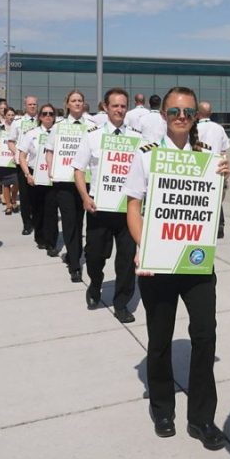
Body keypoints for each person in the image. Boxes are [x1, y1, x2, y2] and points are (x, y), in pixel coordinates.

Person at [124, 86, 230, 450]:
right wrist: (144, 248)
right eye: (174, 111)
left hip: (197, 263)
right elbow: (133, 208)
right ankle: (163, 408)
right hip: (159, 263)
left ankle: (202, 417)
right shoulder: (147, 156)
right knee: (160, 339)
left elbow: (212, 204)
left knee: (205, 336)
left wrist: (223, 178)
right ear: (163, 115)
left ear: (196, 116)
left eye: (188, 111)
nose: (182, 117)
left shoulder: (207, 157)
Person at [73, 88, 142, 322]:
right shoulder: (92, 136)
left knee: (126, 259)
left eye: (123, 106)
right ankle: (95, 285)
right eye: (115, 106)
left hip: (127, 210)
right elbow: (78, 170)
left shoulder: (137, 138)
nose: (120, 110)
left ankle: (121, 302)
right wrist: (85, 197)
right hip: (98, 208)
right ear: (105, 107)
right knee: (94, 256)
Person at [45, 90, 98, 282]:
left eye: (80, 101)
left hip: (86, 182)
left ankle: (73, 252)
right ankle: (75, 264)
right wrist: (51, 169)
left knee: (80, 221)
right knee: (69, 222)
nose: (77, 103)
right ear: (67, 104)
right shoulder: (58, 127)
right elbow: (49, 150)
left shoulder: (93, 126)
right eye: (73, 101)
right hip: (64, 182)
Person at [18, 103, 60, 255]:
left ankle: (51, 242)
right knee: (37, 209)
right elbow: (22, 156)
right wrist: (27, 174)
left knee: (51, 210)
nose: (48, 116)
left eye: (51, 113)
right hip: (34, 175)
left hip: (53, 177)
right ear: (40, 117)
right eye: (45, 114)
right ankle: (40, 236)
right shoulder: (31, 133)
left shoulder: (59, 133)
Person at [195, 101, 230, 238]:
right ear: (210, 113)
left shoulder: (195, 128)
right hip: (216, 167)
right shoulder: (219, 128)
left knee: (201, 199)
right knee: (216, 197)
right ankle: (219, 226)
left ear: (198, 114)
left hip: (200, 167)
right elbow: (224, 151)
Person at [8, 96, 40, 235]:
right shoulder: (18, 122)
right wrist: (19, 154)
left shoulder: (43, 120)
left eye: (35, 104)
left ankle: (38, 220)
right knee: (25, 195)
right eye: (30, 104)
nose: (32, 106)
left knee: (38, 195)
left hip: (39, 163)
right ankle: (27, 223)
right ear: (25, 106)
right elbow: (10, 141)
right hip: (23, 164)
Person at [0, 108, 20, 216]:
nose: (11, 117)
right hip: (3, 160)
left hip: (15, 159)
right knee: (6, 183)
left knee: (17, 182)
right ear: (5, 116)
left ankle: (13, 199)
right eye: (9, 115)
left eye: (13, 115)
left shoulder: (18, 128)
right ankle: (8, 205)